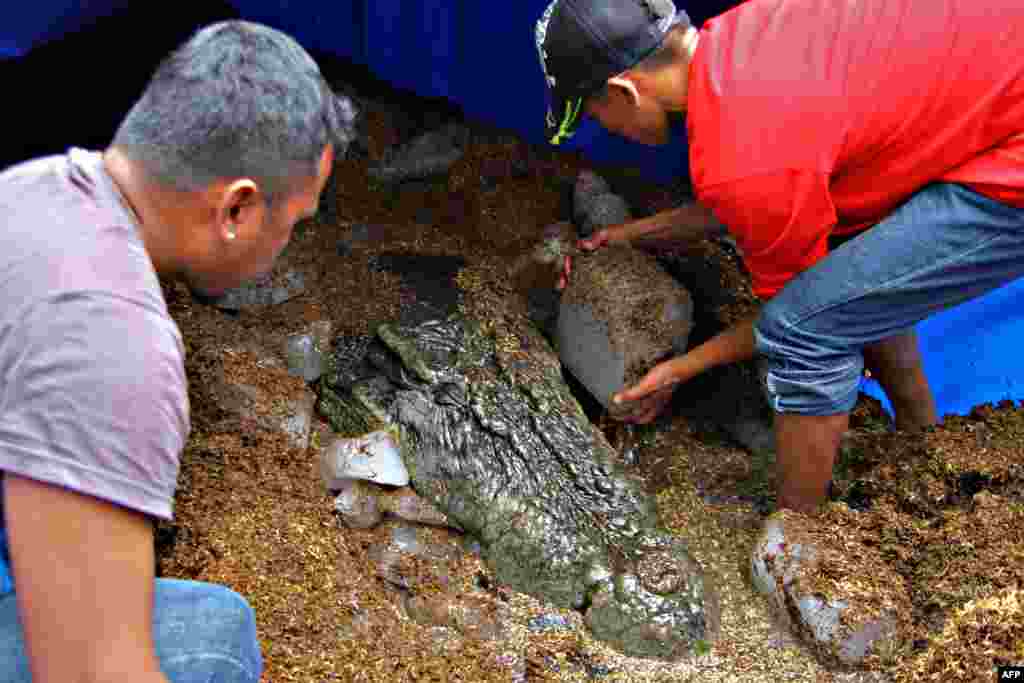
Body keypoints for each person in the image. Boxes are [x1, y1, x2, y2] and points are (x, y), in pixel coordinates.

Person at [536, 0, 1024, 514]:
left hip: (1012, 155)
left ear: (624, 91)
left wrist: (681, 368)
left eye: (593, 114)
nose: (603, 128)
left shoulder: (742, 156)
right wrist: (635, 235)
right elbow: (768, 181)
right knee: (850, 271)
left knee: (809, 333)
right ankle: (921, 434)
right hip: (999, 76)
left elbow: (794, 316)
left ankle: (798, 539)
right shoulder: (748, 33)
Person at [0, 20, 355, 682]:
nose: (288, 244)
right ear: (237, 210)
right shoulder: (112, 337)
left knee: (214, 616)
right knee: (214, 646)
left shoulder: (35, 187)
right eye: (293, 223)